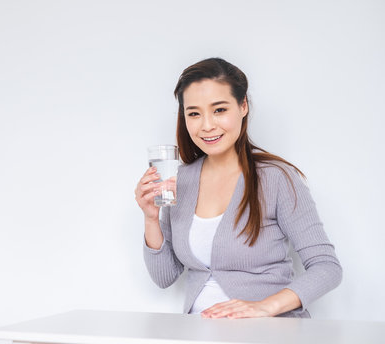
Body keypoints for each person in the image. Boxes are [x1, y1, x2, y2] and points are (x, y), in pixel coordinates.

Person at [134, 57, 342, 318]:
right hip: (197, 332)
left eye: (219, 110)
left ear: (243, 106)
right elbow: (164, 276)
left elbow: (326, 267)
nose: (207, 125)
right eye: (194, 113)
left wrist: (265, 306)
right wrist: (151, 219)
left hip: (268, 333)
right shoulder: (181, 180)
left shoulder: (276, 178)